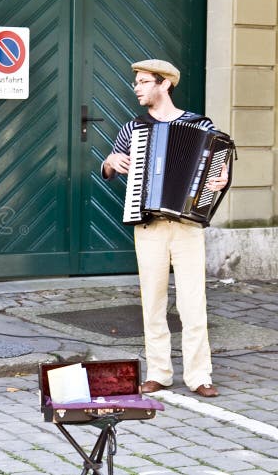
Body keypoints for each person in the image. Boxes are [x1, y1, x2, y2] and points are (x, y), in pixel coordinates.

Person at [101, 59, 228, 398]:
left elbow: (218, 169)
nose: (137, 88)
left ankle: (199, 375)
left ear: (165, 84)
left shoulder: (200, 124)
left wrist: (220, 179)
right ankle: (159, 372)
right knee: (153, 301)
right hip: (150, 226)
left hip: (187, 226)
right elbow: (109, 163)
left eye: (144, 82)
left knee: (192, 301)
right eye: (137, 83)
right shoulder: (133, 128)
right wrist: (111, 162)